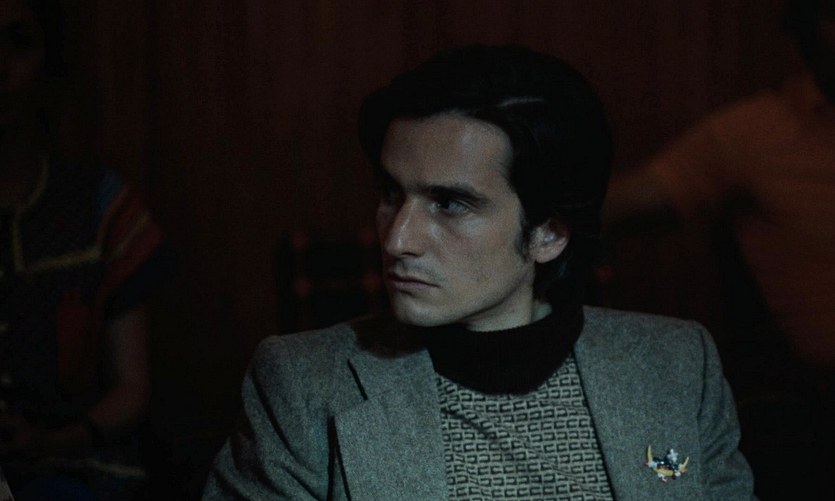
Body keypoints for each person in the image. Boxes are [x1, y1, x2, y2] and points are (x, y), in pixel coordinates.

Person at [204, 45, 754, 500]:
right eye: (391, 193)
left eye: (449, 204)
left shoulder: (677, 365)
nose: (397, 239)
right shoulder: (302, 385)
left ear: (548, 234)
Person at [1, 0, 171, 498]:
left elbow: (132, 386)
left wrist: (53, 441)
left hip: (73, 469)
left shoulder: (100, 204)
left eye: (18, 42)